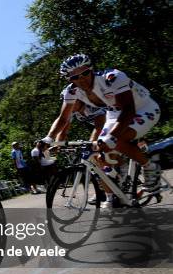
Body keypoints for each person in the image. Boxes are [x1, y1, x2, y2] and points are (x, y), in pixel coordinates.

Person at [42, 54, 162, 195]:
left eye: (85, 73)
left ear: (91, 70)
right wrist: (48, 139)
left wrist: (112, 136)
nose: (81, 78)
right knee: (100, 156)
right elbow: (63, 119)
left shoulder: (113, 78)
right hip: (114, 114)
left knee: (116, 140)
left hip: (142, 109)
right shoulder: (72, 91)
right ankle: (120, 181)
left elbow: (129, 110)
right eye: (74, 77)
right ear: (69, 79)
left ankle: (150, 167)